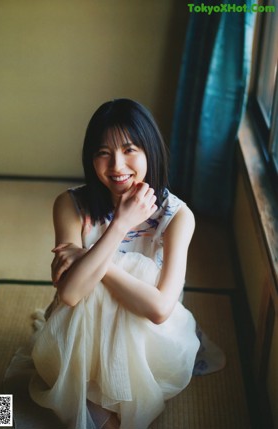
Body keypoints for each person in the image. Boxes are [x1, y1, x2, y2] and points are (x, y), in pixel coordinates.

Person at [28, 98, 201, 429]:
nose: (117, 165)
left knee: (123, 272)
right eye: (103, 152)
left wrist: (93, 259)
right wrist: (119, 225)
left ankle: (101, 402)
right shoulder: (70, 204)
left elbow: (161, 309)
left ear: (150, 150)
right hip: (80, 342)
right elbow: (71, 295)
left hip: (150, 343)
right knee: (91, 284)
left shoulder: (178, 217)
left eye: (129, 149)